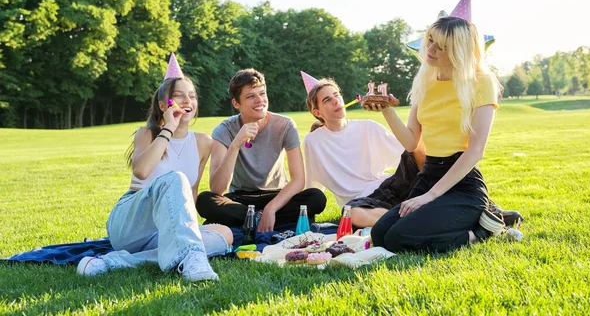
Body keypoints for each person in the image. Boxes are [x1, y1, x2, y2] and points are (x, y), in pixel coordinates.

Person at [370, 16, 510, 253]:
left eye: (441, 46)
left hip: (462, 183)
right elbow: (411, 141)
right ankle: (474, 222)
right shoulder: (424, 79)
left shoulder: (481, 82)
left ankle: (482, 231)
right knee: (381, 234)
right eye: (430, 40)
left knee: (398, 239)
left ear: (458, 52)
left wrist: (431, 196)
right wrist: (387, 111)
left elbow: (475, 151)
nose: (430, 49)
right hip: (428, 175)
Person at [77, 75, 233, 281]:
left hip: (163, 230)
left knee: (224, 235)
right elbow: (141, 171)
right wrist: (168, 127)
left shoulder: (204, 142)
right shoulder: (147, 134)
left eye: (192, 96)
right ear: (163, 105)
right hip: (131, 223)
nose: (188, 101)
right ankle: (193, 258)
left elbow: (191, 192)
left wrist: (190, 230)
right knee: (175, 179)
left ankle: (112, 262)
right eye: (179, 96)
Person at [196, 69, 326, 232]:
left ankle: (253, 220)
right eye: (251, 96)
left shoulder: (285, 125)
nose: (260, 101)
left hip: (277, 196)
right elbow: (217, 189)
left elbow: (298, 180)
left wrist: (271, 209)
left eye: (262, 93)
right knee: (205, 201)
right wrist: (236, 144)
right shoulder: (224, 130)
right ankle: (260, 219)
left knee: (316, 198)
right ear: (236, 104)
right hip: (241, 199)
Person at [303, 78, 426, 228]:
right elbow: (313, 183)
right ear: (317, 112)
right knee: (352, 214)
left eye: (336, 95)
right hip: (362, 202)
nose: (336, 101)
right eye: (327, 100)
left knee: (418, 150)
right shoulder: (313, 141)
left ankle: (411, 211)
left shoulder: (368, 127)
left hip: (390, 186)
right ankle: (411, 219)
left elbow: (408, 153)